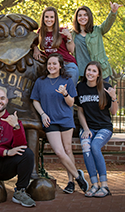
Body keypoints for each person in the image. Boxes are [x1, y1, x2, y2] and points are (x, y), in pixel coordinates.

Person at [31, 53, 88, 194]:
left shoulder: (67, 81)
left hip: (65, 119)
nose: (51, 66)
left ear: (60, 66)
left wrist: (65, 94)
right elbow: (35, 100)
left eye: (54, 64)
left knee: (68, 150)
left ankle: (70, 182)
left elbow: (71, 103)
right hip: (50, 120)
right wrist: (43, 114)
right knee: (59, 151)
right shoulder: (40, 81)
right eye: (49, 64)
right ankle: (78, 177)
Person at [75, 61, 118, 197]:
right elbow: (80, 112)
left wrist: (114, 98)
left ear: (99, 74)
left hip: (104, 127)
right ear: (85, 71)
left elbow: (114, 112)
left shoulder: (106, 88)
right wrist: (86, 129)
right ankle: (94, 185)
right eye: (89, 70)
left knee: (95, 146)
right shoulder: (80, 87)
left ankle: (104, 186)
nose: (91, 73)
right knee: (86, 146)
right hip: (88, 128)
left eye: (94, 71)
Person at [72, 2, 122, 82]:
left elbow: (107, 23)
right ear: (76, 18)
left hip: (100, 72)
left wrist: (113, 11)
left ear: (89, 17)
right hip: (84, 74)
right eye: (80, 15)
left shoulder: (97, 30)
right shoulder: (73, 34)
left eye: (85, 15)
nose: (82, 17)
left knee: (103, 94)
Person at [33, 6, 79, 86]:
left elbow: (71, 50)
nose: (49, 19)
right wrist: (35, 49)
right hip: (52, 67)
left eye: (52, 17)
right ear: (43, 18)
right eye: (46, 17)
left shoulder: (61, 31)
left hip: (67, 65)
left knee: (68, 94)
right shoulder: (41, 32)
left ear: (55, 19)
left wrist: (69, 37)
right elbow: (33, 43)